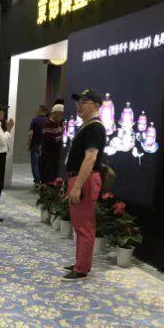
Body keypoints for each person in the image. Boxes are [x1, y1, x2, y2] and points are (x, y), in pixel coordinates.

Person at [63, 88, 107, 281]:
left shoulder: (94, 127)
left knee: (84, 225)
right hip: (80, 178)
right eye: (78, 102)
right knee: (79, 223)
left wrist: (77, 186)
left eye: (84, 102)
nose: (79, 106)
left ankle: (81, 269)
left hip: (85, 180)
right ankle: (81, 262)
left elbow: (90, 158)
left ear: (96, 105)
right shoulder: (88, 126)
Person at [40, 100, 65, 183]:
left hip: (57, 154)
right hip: (48, 155)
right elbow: (47, 140)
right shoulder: (47, 124)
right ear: (54, 113)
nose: (62, 116)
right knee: (48, 175)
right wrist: (61, 137)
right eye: (60, 114)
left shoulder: (60, 123)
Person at [28, 105, 49, 186]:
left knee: (35, 164)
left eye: (37, 110)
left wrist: (29, 143)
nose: (36, 111)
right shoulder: (48, 121)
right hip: (45, 146)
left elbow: (31, 133)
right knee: (43, 163)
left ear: (41, 111)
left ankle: (37, 181)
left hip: (35, 145)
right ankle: (43, 180)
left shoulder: (35, 120)